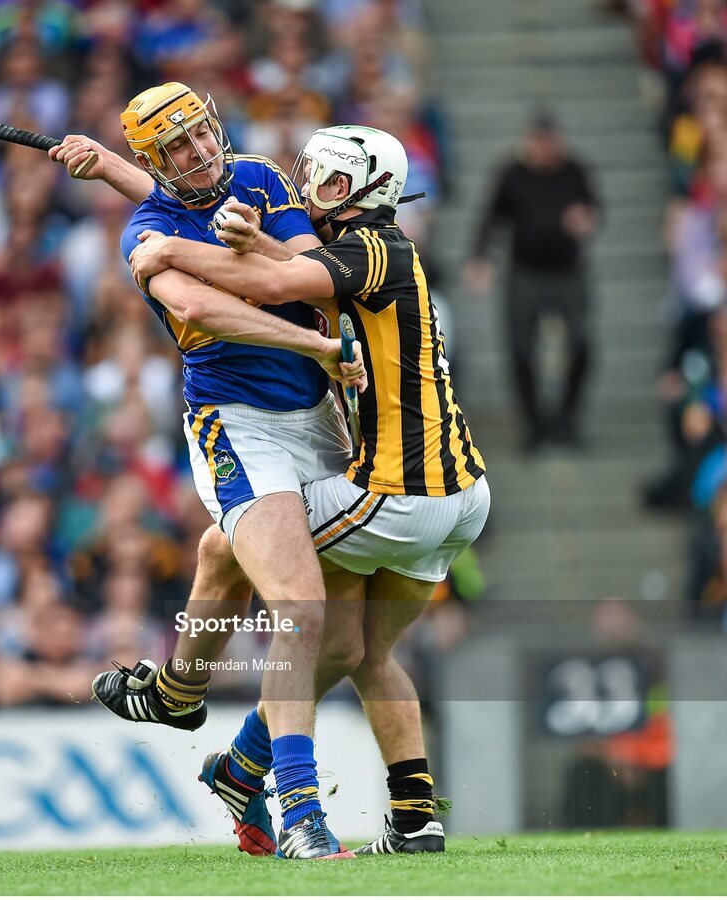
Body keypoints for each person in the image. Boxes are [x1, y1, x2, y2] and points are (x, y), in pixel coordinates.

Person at [129, 124, 490, 856]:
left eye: (325, 180)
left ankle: (268, 781)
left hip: (395, 495)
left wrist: (166, 251)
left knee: (256, 564)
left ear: (362, 191)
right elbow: (277, 252)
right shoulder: (374, 251)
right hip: (464, 498)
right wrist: (116, 169)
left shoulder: (367, 249)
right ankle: (414, 817)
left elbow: (268, 284)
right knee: (360, 651)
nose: (306, 190)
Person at [52, 83, 365, 859]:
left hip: (319, 421)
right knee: (300, 607)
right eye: (176, 149)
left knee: (339, 636)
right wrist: (321, 349)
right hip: (237, 428)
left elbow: (310, 265)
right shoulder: (143, 237)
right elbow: (206, 311)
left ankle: (184, 699)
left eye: (201, 134)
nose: (199, 154)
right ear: (153, 163)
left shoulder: (257, 176)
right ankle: (300, 815)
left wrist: (253, 244)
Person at [464, 111, 601, 452]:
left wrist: (585, 219)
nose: (544, 151)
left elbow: (594, 208)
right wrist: (480, 257)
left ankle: (566, 418)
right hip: (525, 272)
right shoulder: (512, 174)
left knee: (582, 344)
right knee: (521, 348)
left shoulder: (574, 170)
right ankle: (534, 423)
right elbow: (490, 217)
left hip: (568, 271)